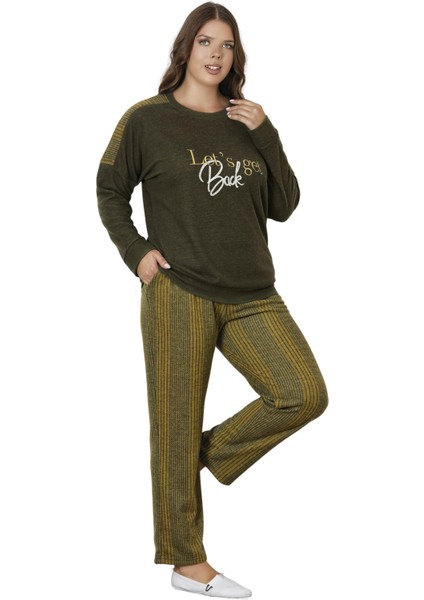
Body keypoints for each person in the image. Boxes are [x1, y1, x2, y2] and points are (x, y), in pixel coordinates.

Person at [97, 2, 328, 597]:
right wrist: (136, 252)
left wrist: (265, 131)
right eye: (205, 41)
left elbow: (285, 205)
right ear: (185, 48)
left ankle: (190, 456)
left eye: (226, 45)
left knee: (302, 393)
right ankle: (187, 563)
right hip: (178, 290)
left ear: (236, 56)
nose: (216, 54)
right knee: (174, 418)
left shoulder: (246, 121)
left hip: (253, 292)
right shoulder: (147, 119)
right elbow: (109, 188)